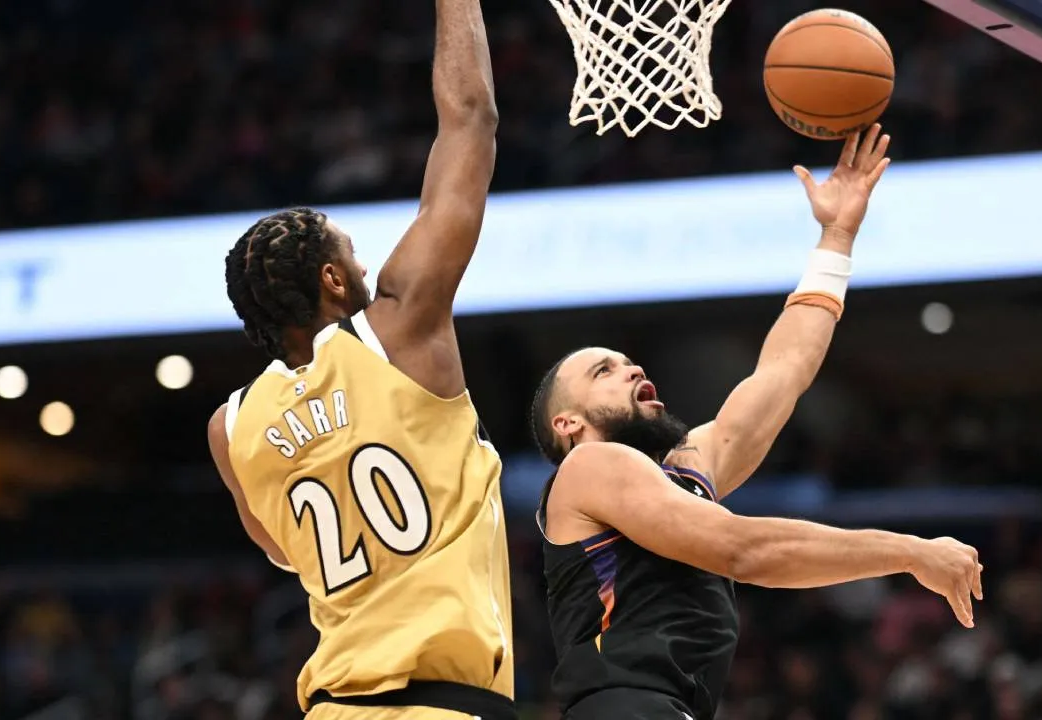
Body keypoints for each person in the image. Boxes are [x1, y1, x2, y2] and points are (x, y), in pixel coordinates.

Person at [529, 125, 983, 720]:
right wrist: (910, 551)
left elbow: (784, 370)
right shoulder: (589, 466)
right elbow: (741, 548)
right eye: (603, 371)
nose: (630, 366)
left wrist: (836, 238)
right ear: (568, 423)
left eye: (626, 359)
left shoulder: (686, 470)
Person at [205, 1, 513, 718]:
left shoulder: (231, 427)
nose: (368, 263)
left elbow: (287, 553)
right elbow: (470, 120)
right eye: (352, 251)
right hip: (445, 702)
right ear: (333, 282)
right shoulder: (398, 331)